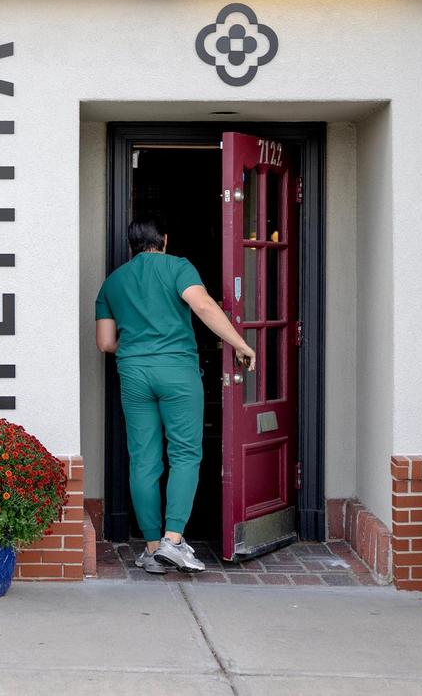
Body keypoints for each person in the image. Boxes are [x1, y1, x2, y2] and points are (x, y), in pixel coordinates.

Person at [95, 213, 256, 574]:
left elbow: (106, 342)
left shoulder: (113, 282)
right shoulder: (177, 266)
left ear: (132, 245)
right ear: (164, 239)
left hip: (133, 372)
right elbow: (201, 305)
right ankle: (174, 541)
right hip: (177, 372)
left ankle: (152, 550)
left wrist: (138, 346)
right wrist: (240, 344)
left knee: (144, 459)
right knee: (184, 453)